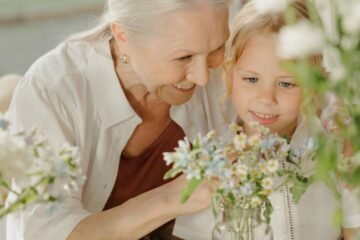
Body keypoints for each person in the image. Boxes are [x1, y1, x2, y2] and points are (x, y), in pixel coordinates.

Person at [5, 0, 238, 239]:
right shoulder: (52, 90)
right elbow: (44, 233)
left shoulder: (224, 74)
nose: (202, 78)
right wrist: (172, 197)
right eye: (183, 57)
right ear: (123, 36)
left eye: (216, 49)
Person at [172, 1, 360, 239]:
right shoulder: (212, 160)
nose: (266, 98)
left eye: (286, 84)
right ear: (229, 75)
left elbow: (354, 227)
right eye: (251, 80)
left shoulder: (336, 149)